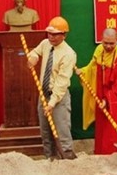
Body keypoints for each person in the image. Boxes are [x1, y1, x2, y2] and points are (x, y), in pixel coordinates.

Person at [76, 28, 117, 154]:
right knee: (102, 127)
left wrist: (107, 99)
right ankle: (101, 153)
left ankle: (116, 155)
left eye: (112, 43)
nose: (108, 46)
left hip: (116, 99)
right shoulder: (99, 50)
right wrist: (83, 72)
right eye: (105, 43)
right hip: (100, 95)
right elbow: (92, 67)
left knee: (113, 128)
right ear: (102, 40)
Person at [27, 16, 77, 159]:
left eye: (55, 34)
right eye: (49, 33)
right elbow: (35, 52)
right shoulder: (45, 43)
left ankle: (67, 163)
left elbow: (61, 83)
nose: (51, 37)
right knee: (46, 135)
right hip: (43, 96)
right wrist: (33, 57)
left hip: (59, 99)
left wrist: (51, 103)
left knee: (62, 135)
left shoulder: (69, 54)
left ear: (64, 35)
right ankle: (50, 162)